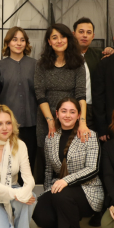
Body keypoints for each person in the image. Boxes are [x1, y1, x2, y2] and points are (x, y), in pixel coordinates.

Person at [31, 98, 102, 228]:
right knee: (39, 213)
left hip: (87, 189)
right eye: (64, 111)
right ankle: (66, 225)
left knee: (61, 194)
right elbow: (48, 170)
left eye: (72, 112)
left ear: (79, 115)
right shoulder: (50, 137)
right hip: (59, 189)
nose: (68, 115)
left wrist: (66, 181)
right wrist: (47, 193)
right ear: (57, 114)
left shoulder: (90, 135)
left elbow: (92, 169)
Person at [34, 24, 88, 182]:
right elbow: (40, 94)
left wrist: (82, 122)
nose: (59, 41)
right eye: (54, 37)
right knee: (48, 165)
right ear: (49, 41)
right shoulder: (41, 64)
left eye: (63, 37)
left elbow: (81, 95)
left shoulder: (78, 63)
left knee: (71, 161)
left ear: (68, 39)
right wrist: (50, 121)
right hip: (46, 119)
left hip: (71, 119)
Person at [0, 27, 37, 175]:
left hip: (31, 123)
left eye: (22, 40)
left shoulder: (35, 64)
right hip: (7, 125)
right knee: (7, 164)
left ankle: (26, 189)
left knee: (28, 163)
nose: (18, 43)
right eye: (14, 40)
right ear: (8, 43)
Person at [72, 17, 114, 127]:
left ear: (93, 36)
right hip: (70, 109)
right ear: (73, 34)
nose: (85, 35)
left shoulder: (101, 55)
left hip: (94, 110)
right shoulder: (66, 56)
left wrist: (112, 53)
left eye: (88, 32)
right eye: (81, 32)